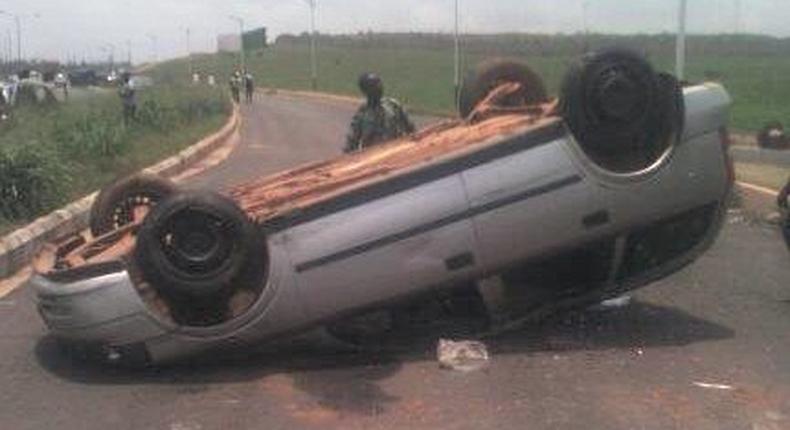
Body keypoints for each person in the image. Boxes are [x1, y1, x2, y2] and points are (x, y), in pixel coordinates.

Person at [344, 73, 416, 153]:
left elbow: (411, 130)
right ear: (365, 90)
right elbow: (351, 144)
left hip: (397, 153)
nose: (378, 88)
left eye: (379, 84)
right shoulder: (362, 114)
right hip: (375, 158)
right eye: (373, 86)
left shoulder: (393, 105)